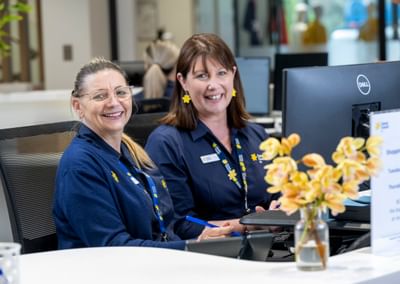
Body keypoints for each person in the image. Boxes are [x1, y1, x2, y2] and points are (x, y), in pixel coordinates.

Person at [53, 57, 233, 250]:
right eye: (100, 96)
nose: (114, 103)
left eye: (121, 93)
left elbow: (168, 226)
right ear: (78, 105)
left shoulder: (131, 152)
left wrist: (215, 235)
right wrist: (192, 247)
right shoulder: (80, 165)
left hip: (156, 263)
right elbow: (114, 247)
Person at [145, 33, 279, 240]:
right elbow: (179, 224)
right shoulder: (166, 143)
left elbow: (282, 193)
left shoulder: (257, 134)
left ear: (233, 76)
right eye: (202, 76)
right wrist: (251, 225)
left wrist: (282, 208)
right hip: (210, 256)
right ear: (183, 82)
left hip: (273, 247)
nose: (213, 84)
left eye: (221, 73)